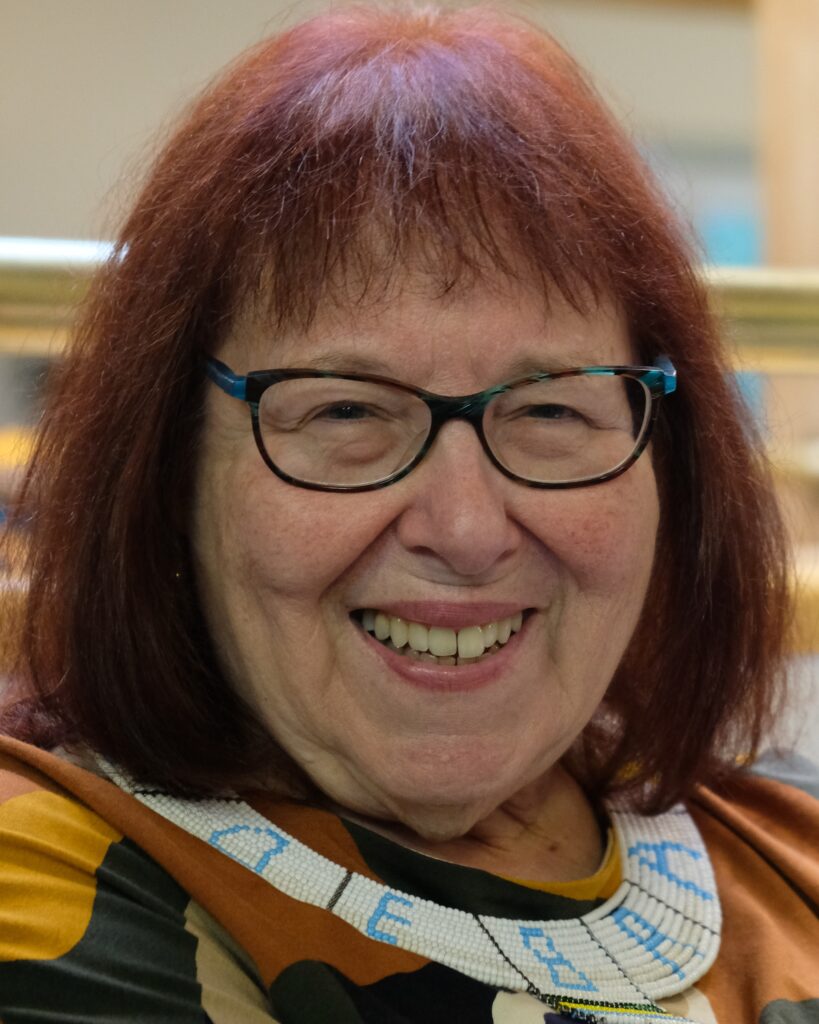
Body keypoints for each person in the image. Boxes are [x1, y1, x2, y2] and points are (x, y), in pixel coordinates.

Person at [0, 6, 816, 1022]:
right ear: (164, 469)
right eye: (347, 411)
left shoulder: (787, 833)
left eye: (553, 408)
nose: (467, 528)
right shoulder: (46, 887)